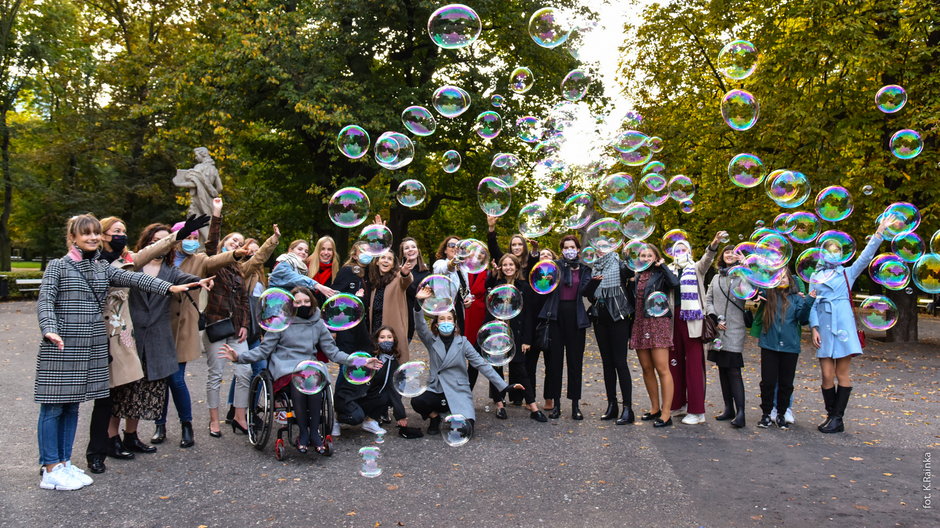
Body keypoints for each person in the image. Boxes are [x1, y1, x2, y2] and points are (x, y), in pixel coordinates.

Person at [36, 214, 207, 491]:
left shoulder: (101, 268)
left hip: (90, 347)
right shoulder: (58, 266)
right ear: (73, 238)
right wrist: (49, 328)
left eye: (94, 233)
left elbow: (138, 280)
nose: (91, 238)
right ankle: (50, 467)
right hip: (61, 345)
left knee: (71, 409)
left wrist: (171, 287)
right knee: (54, 408)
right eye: (86, 234)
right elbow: (45, 301)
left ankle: (64, 463)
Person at [219, 287, 381, 453]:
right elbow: (264, 350)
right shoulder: (281, 321)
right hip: (285, 367)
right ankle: (304, 433)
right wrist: (239, 357)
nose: (302, 304)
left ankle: (314, 434)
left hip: (309, 367)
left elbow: (333, 352)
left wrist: (362, 361)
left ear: (312, 302)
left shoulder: (317, 322)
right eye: (298, 302)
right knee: (300, 381)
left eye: (306, 301)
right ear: (291, 304)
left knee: (313, 381)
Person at [154, 208, 239, 448]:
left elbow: (216, 259)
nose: (192, 242)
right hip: (161, 325)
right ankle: (159, 426)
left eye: (194, 239)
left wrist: (235, 253)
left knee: (176, 379)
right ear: (177, 238)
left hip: (184, 327)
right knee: (161, 379)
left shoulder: (199, 259)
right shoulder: (163, 260)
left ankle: (186, 425)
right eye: (187, 237)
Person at [809, 215, 892, 433]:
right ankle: (831, 416)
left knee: (841, 374)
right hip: (825, 327)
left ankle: (837, 418)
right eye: (829, 250)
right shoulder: (815, 276)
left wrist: (879, 233)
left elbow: (865, 258)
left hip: (843, 327)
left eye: (837, 250)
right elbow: (813, 305)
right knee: (826, 374)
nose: (833, 253)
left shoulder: (847, 272)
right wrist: (814, 328)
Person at [412, 286, 522, 437]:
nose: (446, 322)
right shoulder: (431, 340)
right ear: (436, 324)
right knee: (417, 402)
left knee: (466, 431)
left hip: (458, 391)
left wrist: (503, 386)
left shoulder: (463, 342)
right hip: (437, 390)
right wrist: (418, 301)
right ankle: (435, 418)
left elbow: (481, 364)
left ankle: (453, 414)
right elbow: (420, 326)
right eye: (442, 319)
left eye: (449, 319)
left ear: (455, 323)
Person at [666, 232, 724, 425]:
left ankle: (697, 411)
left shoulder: (696, 268)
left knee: (693, 367)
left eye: (684, 249)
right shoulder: (669, 270)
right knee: (675, 364)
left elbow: (708, 259)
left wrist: (714, 243)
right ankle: (679, 404)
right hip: (674, 321)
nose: (680, 253)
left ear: (690, 252)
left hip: (693, 321)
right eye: (677, 250)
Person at [534, 236, 592, 420]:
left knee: (575, 363)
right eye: (566, 247)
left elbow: (587, 293)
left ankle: (575, 405)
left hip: (576, 318)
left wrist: (594, 283)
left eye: (572, 247)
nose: (569, 250)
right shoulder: (554, 266)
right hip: (556, 316)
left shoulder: (584, 269)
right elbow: (541, 285)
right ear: (562, 250)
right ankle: (556, 405)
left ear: (578, 250)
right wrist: (546, 279)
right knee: (555, 363)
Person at [485, 254, 546, 422]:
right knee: (496, 370)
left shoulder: (524, 287)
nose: (508, 267)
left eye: (511, 264)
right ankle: (499, 405)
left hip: (516, 335)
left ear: (517, 267)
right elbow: (489, 309)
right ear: (501, 268)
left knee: (521, 370)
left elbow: (528, 316)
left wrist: (527, 339)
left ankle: (533, 407)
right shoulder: (495, 285)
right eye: (504, 264)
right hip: (498, 334)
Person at [629, 244, 680, 428]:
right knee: (646, 368)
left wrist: (663, 266)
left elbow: (675, 284)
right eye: (642, 255)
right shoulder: (636, 275)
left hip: (658, 322)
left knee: (662, 368)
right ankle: (655, 408)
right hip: (640, 323)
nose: (645, 258)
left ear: (656, 257)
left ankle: (667, 414)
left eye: (650, 255)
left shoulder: (661, 274)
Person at [756, 271, 815, 429]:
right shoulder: (768, 295)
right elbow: (754, 284)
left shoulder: (797, 299)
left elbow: (802, 319)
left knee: (786, 383)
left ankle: (781, 414)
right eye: (778, 277)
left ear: (790, 280)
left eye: (784, 277)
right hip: (769, 345)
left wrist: (809, 301)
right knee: (767, 382)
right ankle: (766, 414)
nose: (781, 280)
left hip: (790, 347)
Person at [587, 247, 635, 425]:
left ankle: (628, 409)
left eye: (604, 247)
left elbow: (631, 271)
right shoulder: (595, 268)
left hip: (619, 318)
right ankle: (612, 405)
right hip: (600, 319)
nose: (600, 250)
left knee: (620, 363)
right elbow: (589, 295)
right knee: (607, 364)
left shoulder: (620, 264)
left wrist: (628, 253)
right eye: (597, 247)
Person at [333, 326, 409, 438]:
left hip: (365, 396)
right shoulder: (367, 355)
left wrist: (400, 415)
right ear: (376, 340)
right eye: (382, 337)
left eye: (389, 337)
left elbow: (393, 389)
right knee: (356, 418)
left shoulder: (392, 362)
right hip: (349, 395)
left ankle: (370, 420)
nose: (386, 340)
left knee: (386, 395)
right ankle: (336, 420)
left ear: (394, 340)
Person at [704, 246, 749, 428]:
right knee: (722, 368)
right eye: (727, 252)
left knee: (734, 370)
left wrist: (746, 269)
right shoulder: (716, 277)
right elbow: (708, 300)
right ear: (722, 256)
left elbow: (748, 292)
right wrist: (714, 318)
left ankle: (741, 413)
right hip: (718, 330)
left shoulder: (741, 276)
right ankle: (728, 408)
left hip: (735, 329)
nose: (730, 255)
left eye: (734, 253)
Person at [365, 248, 414, 362]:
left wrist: (405, 273)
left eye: (389, 259)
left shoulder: (397, 278)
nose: (386, 261)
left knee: (394, 365)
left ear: (393, 265)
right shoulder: (375, 281)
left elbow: (406, 281)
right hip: (376, 330)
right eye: (383, 258)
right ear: (377, 261)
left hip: (392, 330)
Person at [269, 239, 337, 298]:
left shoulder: (302, 269)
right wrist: (317, 285)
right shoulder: (283, 262)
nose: (303, 252)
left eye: (306, 251)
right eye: (300, 249)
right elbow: (294, 277)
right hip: (276, 303)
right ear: (290, 250)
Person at [432, 235, 470, 331]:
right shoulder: (439, 264)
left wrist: (469, 297)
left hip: (460, 312)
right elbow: (444, 269)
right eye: (452, 245)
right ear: (445, 250)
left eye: (458, 246)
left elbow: (465, 290)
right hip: (445, 314)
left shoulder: (463, 269)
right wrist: (451, 263)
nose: (455, 247)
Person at [399, 237, 431, 342]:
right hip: (396, 314)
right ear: (403, 253)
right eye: (406, 248)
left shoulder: (426, 274)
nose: (410, 249)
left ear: (418, 251)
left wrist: (420, 297)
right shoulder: (396, 271)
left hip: (410, 318)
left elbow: (421, 299)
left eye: (413, 247)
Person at [307, 236, 338, 305]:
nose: (326, 252)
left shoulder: (336, 271)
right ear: (317, 250)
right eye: (322, 249)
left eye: (329, 249)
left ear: (333, 252)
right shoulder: (306, 266)